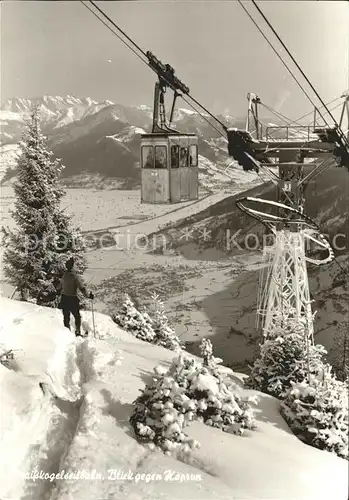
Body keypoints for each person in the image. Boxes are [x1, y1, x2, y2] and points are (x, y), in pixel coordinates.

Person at [57, 257, 94, 336]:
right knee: (77, 316)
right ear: (72, 266)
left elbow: (59, 286)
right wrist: (88, 296)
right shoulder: (75, 276)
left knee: (66, 317)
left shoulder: (64, 275)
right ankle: (77, 332)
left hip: (64, 298)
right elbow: (82, 288)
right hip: (72, 299)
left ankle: (67, 333)